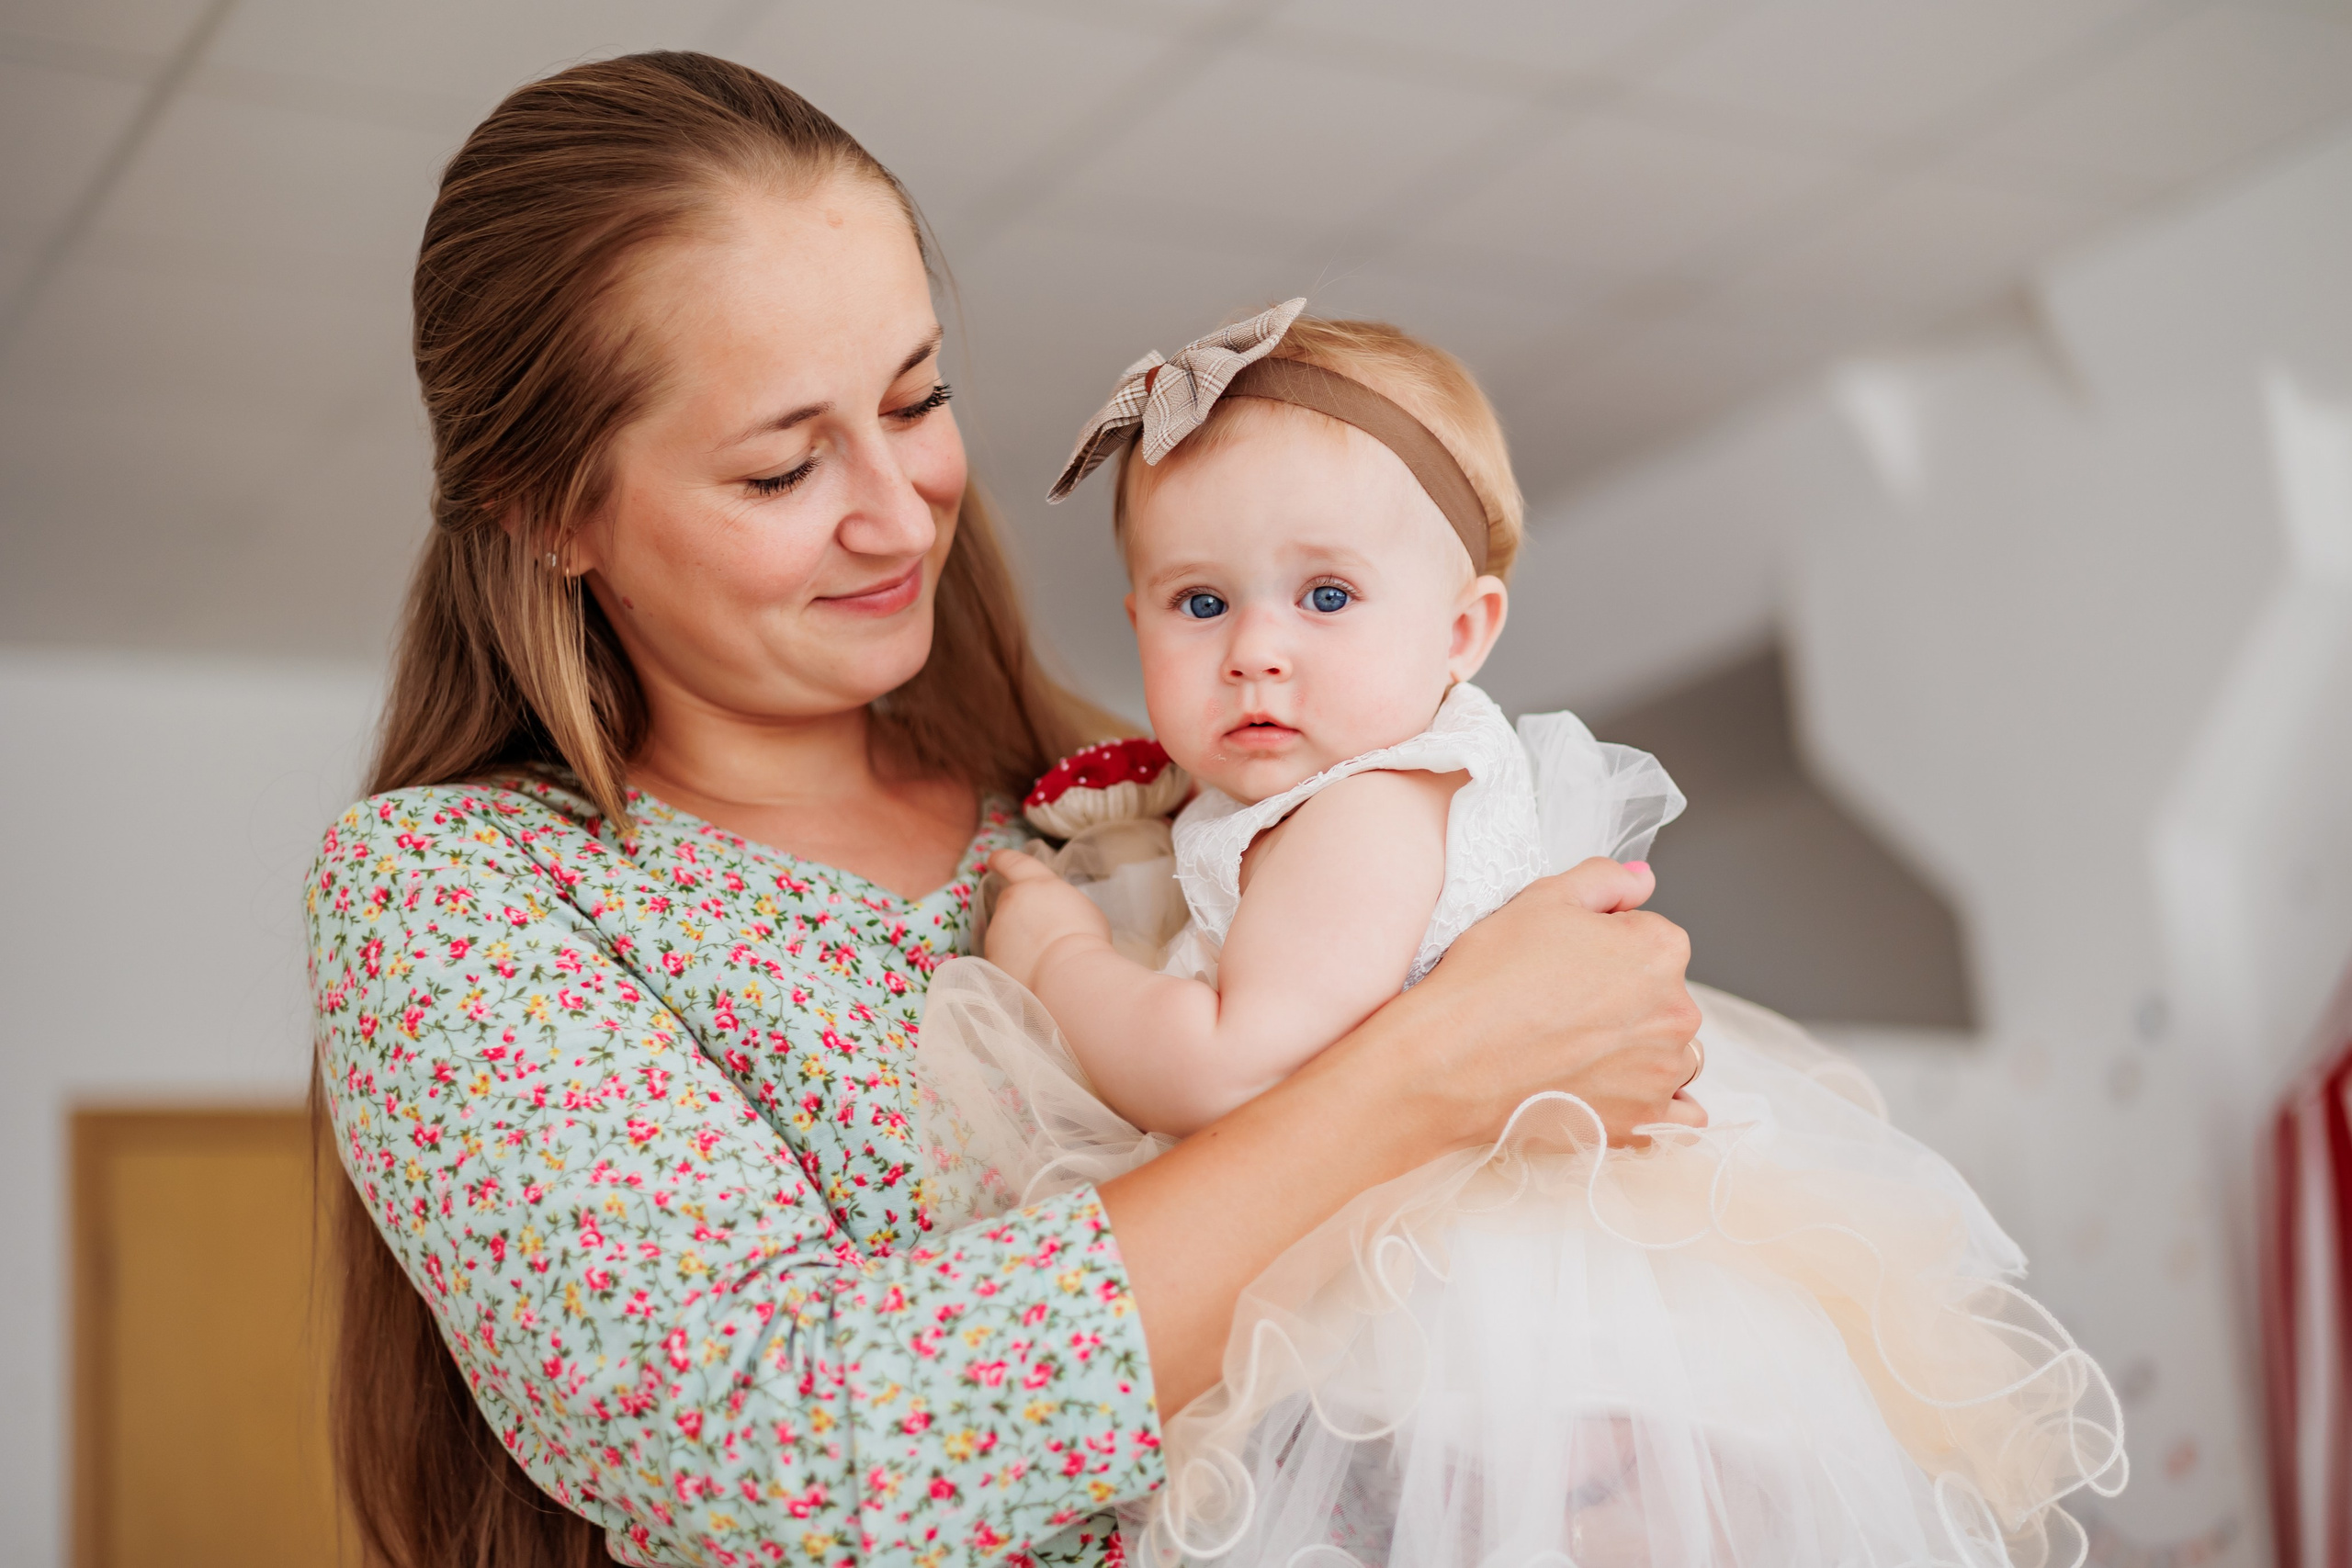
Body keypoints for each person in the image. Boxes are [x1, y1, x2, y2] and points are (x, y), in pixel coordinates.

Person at [306, 52, 1708, 1567]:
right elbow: (778, 1450)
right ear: (552, 511)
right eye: (784, 467)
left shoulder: (1108, 791)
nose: (904, 512)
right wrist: (1437, 1073)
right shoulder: (459, 892)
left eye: (918, 400)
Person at [910, 301, 2131, 1566]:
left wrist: (1057, 956)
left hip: (1479, 1291)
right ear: (1135, 622)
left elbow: (1230, 1067)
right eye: (1200, 602)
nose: (1257, 652)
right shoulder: (1318, 796)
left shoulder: (1364, 811)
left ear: (1462, 632)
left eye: (1325, 594)